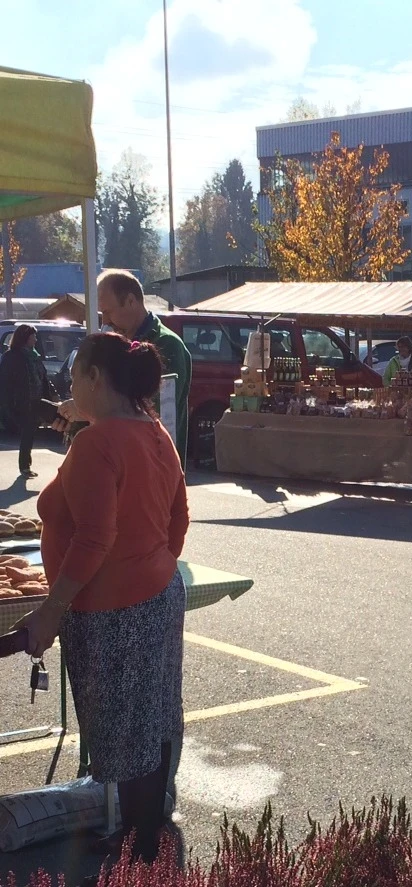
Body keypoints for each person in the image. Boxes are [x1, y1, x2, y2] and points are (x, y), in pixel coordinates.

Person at [15, 333, 188, 866]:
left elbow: (94, 537)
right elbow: (178, 519)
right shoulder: (153, 432)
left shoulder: (97, 443)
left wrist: (51, 609)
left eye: (73, 377)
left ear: (94, 377)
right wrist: (151, 566)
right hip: (158, 596)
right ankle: (145, 840)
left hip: (114, 608)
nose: (68, 388)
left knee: (127, 730)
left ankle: (139, 852)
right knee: (154, 723)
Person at [55, 269, 192, 459]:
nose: (106, 321)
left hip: (154, 466)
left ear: (130, 301)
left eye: (108, 312)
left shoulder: (167, 345)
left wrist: (84, 411)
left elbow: (152, 412)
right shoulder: (117, 346)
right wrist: (73, 419)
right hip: (120, 462)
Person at [0, 324, 50, 477]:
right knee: (27, 432)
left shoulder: (34, 355)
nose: (35, 339)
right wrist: (7, 403)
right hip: (21, 401)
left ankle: (25, 465)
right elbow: (5, 382)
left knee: (31, 432)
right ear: (25, 337)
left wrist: (51, 394)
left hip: (36, 399)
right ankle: (25, 466)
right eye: (33, 336)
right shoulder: (12, 356)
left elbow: (43, 377)